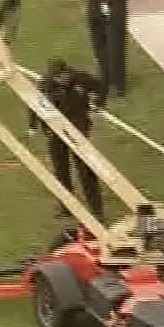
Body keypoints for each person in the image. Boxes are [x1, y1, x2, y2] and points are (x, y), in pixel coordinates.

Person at [36, 58, 107, 220]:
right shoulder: (45, 85)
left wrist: (99, 103)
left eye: (62, 76)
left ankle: (97, 211)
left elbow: (101, 86)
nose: (60, 80)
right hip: (56, 130)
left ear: (67, 71)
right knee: (61, 170)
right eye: (56, 77)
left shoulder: (81, 79)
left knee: (85, 170)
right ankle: (66, 206)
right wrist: (42, 127)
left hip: (78, 126)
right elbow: (37, 106)